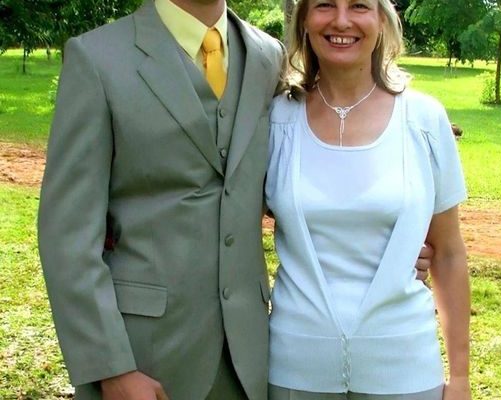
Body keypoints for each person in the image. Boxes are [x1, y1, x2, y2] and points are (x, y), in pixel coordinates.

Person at [38, 0, 431, 399]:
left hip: (250, 357)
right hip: (143, 357)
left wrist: (377, 242)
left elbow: (296, 177)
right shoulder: (97, 58)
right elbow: (67, 235)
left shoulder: (268, 57)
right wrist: (112, 367)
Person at [265, 1, 471, 400]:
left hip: (405, 367)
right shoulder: (276, 121)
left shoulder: (424, 120)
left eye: (359, 5)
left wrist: (460, 377)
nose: (342, 20)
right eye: (325, 5)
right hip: (295, 368)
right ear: (304, 19)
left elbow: (448, 253)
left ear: (382, 21)